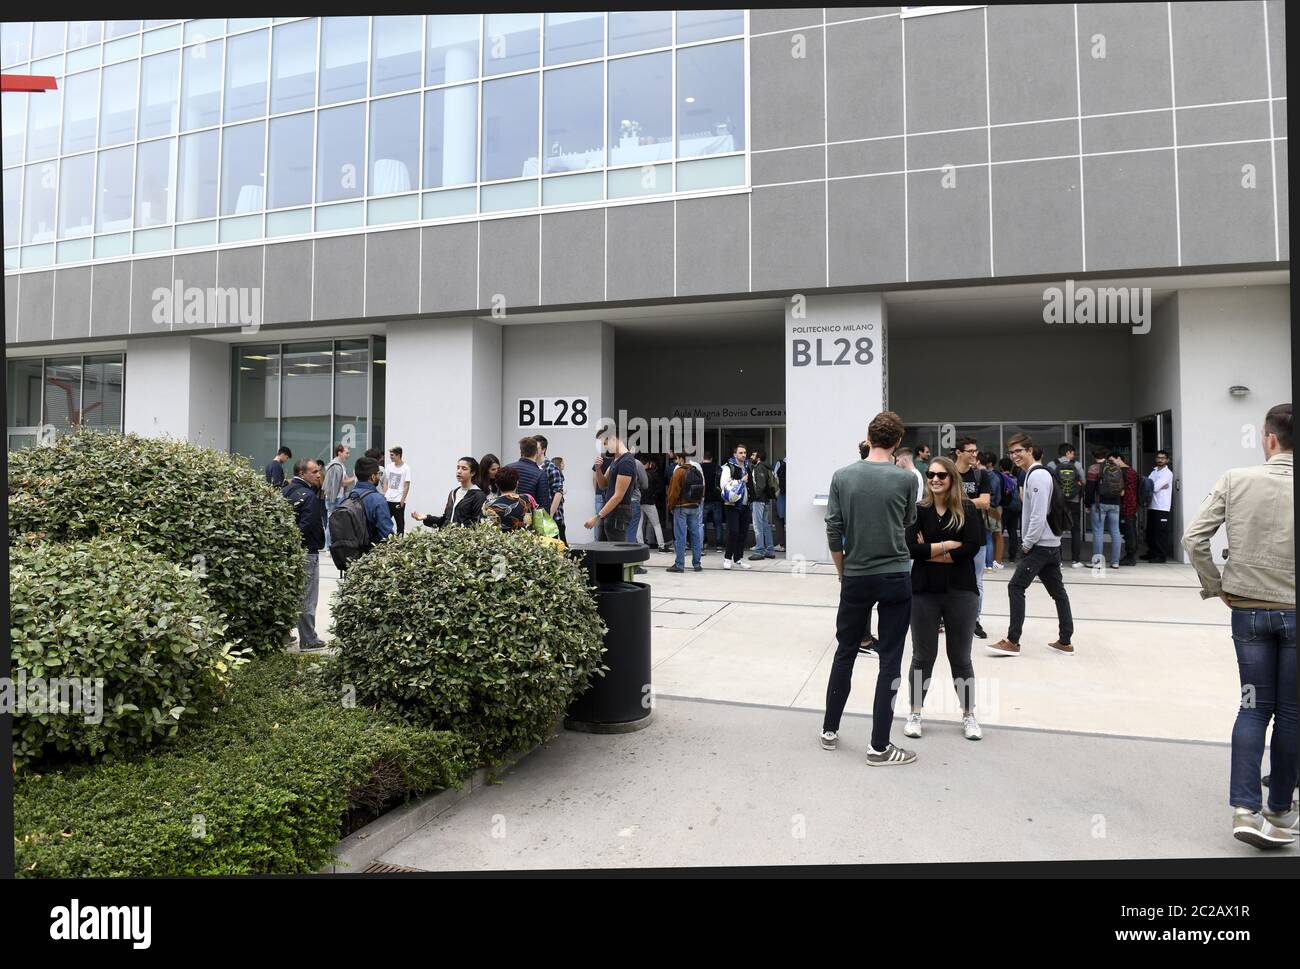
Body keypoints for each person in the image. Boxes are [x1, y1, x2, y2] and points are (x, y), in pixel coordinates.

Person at [1183, 403, 1296, 848]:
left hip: (1248, 610)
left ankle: (1245, 808)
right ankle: (1282, 809)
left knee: (1252, 707)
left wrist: (1217, 587)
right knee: (1292, 712)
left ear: (1269, 438)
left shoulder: (1236, 479)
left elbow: (1194, 538)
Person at [820, 411, 918, 766]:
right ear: (896, 443)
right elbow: (908, 523)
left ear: (869, 437)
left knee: (845, 650)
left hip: (857, 574)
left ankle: (830, 729)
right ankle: (878, 745)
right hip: (894, 574)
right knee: (890, 660)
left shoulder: (842, 476)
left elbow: (833, 529)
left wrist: (843, 571)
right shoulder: (905, 479)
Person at [903, 454, 986, 741]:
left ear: (952, 478)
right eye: (931, 475)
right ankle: (915, 713)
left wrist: (932, 550)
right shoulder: (918, 510)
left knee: (960, 658)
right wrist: (948, 545)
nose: (935, 479)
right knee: (922, 657)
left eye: (941, 475)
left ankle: (969, 715)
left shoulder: (966, 509)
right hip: (924, 592)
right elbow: (910, 548)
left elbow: (972, 547)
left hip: (961, 592)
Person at [989, 433, 1074, 656]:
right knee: (1058, 593)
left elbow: (1038, 515)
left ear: (1030, 450)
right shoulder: (1034, 474)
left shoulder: (1037, 476)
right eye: (1011, 452)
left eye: (1019, 451)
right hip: (1050, 543)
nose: (1015, 456)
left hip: (1041, 545)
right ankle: (1065, 641)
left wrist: (1027, 544)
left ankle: (1012, 641)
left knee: (1015, 587)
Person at [282, 458, 326, 649]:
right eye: (315, 471)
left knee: (288, 593)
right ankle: (308, 639)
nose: (318, 475)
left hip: (287, 552)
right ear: (302, 474)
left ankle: (283, 635)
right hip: (307, 552)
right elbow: (306, 527)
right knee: (307, 596)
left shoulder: (284, 492)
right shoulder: (308, 496)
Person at [953, 437, 991, 639]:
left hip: (976, 534)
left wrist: (957, 501)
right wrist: (971, 501)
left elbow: (985, 502)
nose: (974, 455)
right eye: (970, 451)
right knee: (949, 576)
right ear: (959, 452)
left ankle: (974, 620)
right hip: (952, 533)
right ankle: (947, 617)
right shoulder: (948, 473)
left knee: (977, 580)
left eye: (975, 451)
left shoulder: (980, 474)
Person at [330, 455, 394, 572]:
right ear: (372, 476)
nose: (379, 477)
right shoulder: (378, 500)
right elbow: (387, 534)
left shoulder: (348, 497)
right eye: (378, 474)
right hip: (371, 562)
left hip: (351, 559)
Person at [586, 425, 638, 541]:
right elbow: (603, 484)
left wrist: (597, 516)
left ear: (614, 438)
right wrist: (598, 469)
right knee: (607, 552)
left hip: (618, 514)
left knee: (616, 553)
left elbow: (618, 496)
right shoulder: (617, 459)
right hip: (611, 513)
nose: (605, 446)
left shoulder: (626, 462)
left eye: (605, 442)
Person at [411, 456, 486, 529]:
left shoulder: (478, 495)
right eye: (458, 468)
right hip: (447, 538)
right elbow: (445, 520)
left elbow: (477, 524)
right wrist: (426, 517)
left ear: (472, 473)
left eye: (464, 468)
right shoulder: (453, 493)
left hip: (464, 540)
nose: (459, 471)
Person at [1047, 443, 1087, 569]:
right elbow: (1084, 481)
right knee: (1075, 530)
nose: (1073, 455)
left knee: (1057, 529)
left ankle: (1058, 561)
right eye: (1073, 453)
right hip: (1074, 501)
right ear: (1068, 452)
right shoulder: (1077, 465)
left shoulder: (1051, 464)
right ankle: (1075, 561)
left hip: (1058, 501)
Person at [665, 452, 705, 573]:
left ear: (681, 459)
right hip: (695, 506)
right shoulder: (696, 470)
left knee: (681, 536)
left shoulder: (679, 472)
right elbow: (702, 488)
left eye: (676, 459)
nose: (676, 462)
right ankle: (697, 564)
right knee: (695, 535)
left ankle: (679, 565)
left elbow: (673, 493)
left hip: (681, 507)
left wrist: (671, 506)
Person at [1086, 447, 1124, 569]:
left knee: (1098, 533)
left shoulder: (1093, 468)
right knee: (1115, 532)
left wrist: (1087, 504)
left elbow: (1090, 489)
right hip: (1115, 503)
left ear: (1094, 456)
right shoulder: (1115, 466)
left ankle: (1097, 563)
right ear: (1106, 456)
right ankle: (1115, 562)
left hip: (1099, 504)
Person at [720, 444, 753, 570]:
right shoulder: (729, 467)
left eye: (745, 452)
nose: (743, 455)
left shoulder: (747, 466)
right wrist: (741, 481)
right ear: (735, 454)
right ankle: (728, 558)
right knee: (733, 532)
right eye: (741, 453)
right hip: (732, 504)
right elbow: (724, 484)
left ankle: (738, 558)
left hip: (745, 505)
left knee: (743, 533)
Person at [533, 435, 566, 544]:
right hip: (537, 517)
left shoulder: (551, 467)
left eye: (536, 447)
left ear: (543, 449)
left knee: (555, 548)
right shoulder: (532, 467)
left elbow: (558, 492)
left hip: (553, 518)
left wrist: (549, 516)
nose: (533, 450)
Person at [506, 437, 552, 514]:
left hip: (506, 517)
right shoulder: (540, 474)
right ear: (536, 452)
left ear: (521, 451)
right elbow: (543, 508)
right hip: (528, 520)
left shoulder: (507, 468)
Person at [322, 444, 355, 551]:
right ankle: (328, 547)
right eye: (347, 453)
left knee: (334, 522)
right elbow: (343, 483)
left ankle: (331, 546)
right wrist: (356, 478)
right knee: (332, 522)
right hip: (334, 498)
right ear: (339, 453)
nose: (348, 455)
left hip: (336, 497)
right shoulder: (337, 466)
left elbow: (345, 481)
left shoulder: (340, 465)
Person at [1144, 450, 1175, 562]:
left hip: (1162, 507)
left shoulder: (1168, 473)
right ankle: (1152, 553)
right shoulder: (1154, 471)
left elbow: (1154, 487)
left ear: (1167, 460)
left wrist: (1154, 487)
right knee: (1151, 532)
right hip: (1152, 505)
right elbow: (1147, 485)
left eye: (1163, 458)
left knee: (1160, 533)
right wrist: (1156, 486)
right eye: (1158, 457)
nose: (1160, 459)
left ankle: (1161, 556)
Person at [482, 466, 534, 532]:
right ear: (517, 483)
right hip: (525, 540)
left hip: (499, 541)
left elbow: (486, 528)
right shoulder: (526, 500)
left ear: (497, 485)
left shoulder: (488, 504)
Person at [1111, 452, 1140, 566]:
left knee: (1129, 532)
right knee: (1129, 532)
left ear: (1119, 458)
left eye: (1112, 461)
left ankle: (1130, 557)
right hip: (1130, 506)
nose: (1111, 464)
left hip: (1126, 506)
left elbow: (1122, 491)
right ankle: (1130, 555)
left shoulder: (1123, 472)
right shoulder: (1132, 471)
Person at [749, 449, 777, 560]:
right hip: (765, 501)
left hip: (759, 501)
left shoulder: (759, 468)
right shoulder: (767, 467)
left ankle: (759, 551)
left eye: (753, 455)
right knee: (765, 525)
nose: (751, 456)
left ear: (758, 457)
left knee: (757, 526)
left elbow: (760, 486)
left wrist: (753, 497)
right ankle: (770, 550)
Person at [639, 456, 668, 552]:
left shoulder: (639, 474)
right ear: (647, 464)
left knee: (639, 524)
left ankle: (640, 545)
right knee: (656, 524)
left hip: (639, 502)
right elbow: (657, 488)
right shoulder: (653, 474)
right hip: (649, 502)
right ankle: (661, 545)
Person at [382, 446, 412, 537]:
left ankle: (399, 543)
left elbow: (406, 485)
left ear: (398, 455)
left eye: (392, 455)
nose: (390, 457)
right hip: (388, 499)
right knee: (385, 521)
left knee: (400, 523)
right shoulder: (389, 466)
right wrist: (384, 495)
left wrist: (403, 499)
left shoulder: (406, 468)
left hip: (398, 499)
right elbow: (386, 482)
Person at [998, 457, 1022, 561]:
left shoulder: (1001, 478)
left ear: (1001, 467)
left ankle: (998, 556)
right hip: (1016, 508)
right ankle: (1012, 557)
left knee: (1000, 531)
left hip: (1005, 508)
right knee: (1013, 532)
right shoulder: (1015, 478)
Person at [701, 451, 725, 552]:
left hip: (704, 499)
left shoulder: (699, 468)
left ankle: (703, 542)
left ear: (703, 457)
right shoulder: (717, 468)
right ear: (711, 458)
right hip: (716, 499)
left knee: (702, 523)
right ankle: (719, 545)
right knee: (718, 523)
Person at [773, 454, 788, 551]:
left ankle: (782, 544)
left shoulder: (780, 463)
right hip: (791, 495)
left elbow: (775, 478)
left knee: (779, 518)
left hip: (782, 494)